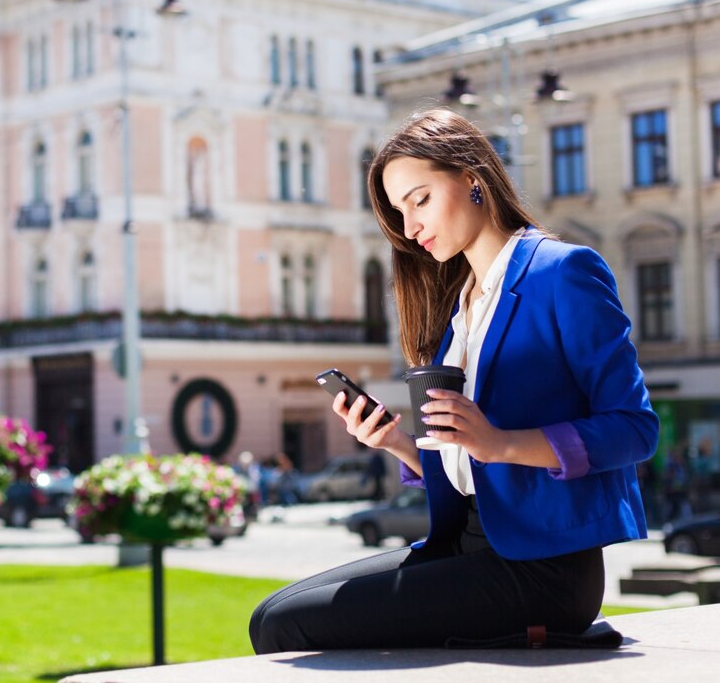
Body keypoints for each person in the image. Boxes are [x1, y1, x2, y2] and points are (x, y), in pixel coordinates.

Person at [249, 108, 659, 653]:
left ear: (472, 179)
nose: (409, 226)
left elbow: (635, 429)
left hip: (543, 569)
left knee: (287, 627)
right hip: (465, 543)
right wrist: (393, 440)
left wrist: (500, 442)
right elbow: (469, 467)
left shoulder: (564, 271)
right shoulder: (460, 307)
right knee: (268, 616)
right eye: (399, 211)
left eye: (419, 200)